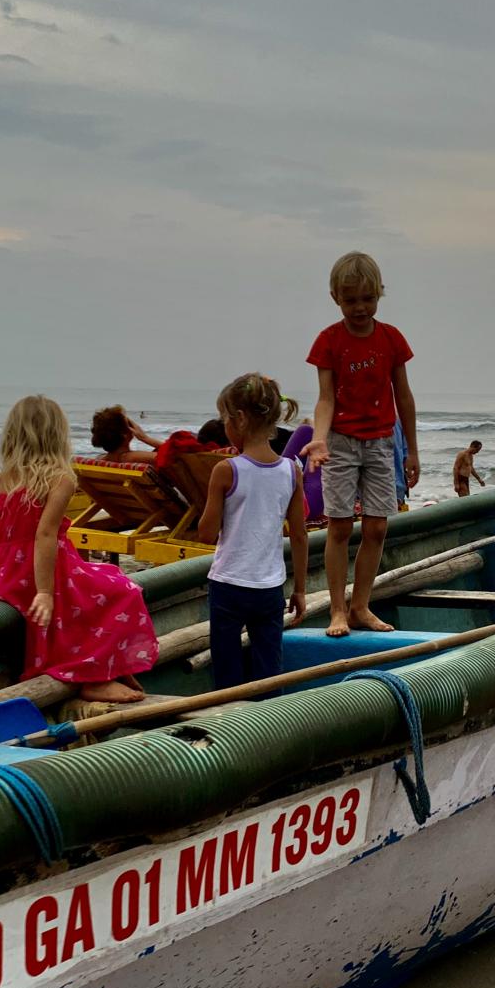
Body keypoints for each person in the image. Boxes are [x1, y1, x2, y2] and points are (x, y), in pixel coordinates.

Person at [0, 395, 157, 703]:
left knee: (103, 577)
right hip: (43, 572)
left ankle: (113, 666)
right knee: (124, 590)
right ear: (57, 435)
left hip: (10, 574)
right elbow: (45, 535)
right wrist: (44, 592)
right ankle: (94, 678)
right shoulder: (60, 479)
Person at [302, 251, 419, 637]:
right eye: (350, 300)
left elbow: (404, 397)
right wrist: (319, 439)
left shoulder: (391, 338)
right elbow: (325, 399)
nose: (360, 308)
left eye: (368, 299)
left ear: (379, 294)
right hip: (341, 442)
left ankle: (361, 606)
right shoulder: (329, 341)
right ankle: (338, 610)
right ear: (335, 297)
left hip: (382, 442)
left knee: (377, 528)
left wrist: (412, 450)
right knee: (338, 527)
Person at [197, 374, 310, 689]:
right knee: (268, 667)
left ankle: (230, 716)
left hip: (228, 584)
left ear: (240, 419)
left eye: (225, 420)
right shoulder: (291, 471)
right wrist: (300, 589)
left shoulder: (226, 470)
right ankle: (267, 715)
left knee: (227, 669)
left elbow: (205, 534)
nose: (225, 426)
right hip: (269, 587)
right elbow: (299, 535)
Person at [90, 405, 164, 464]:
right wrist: (145, 438)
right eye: (129, 423)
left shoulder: (100, 458)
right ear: (124, 433)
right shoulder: (132, 458)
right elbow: (170, 455)